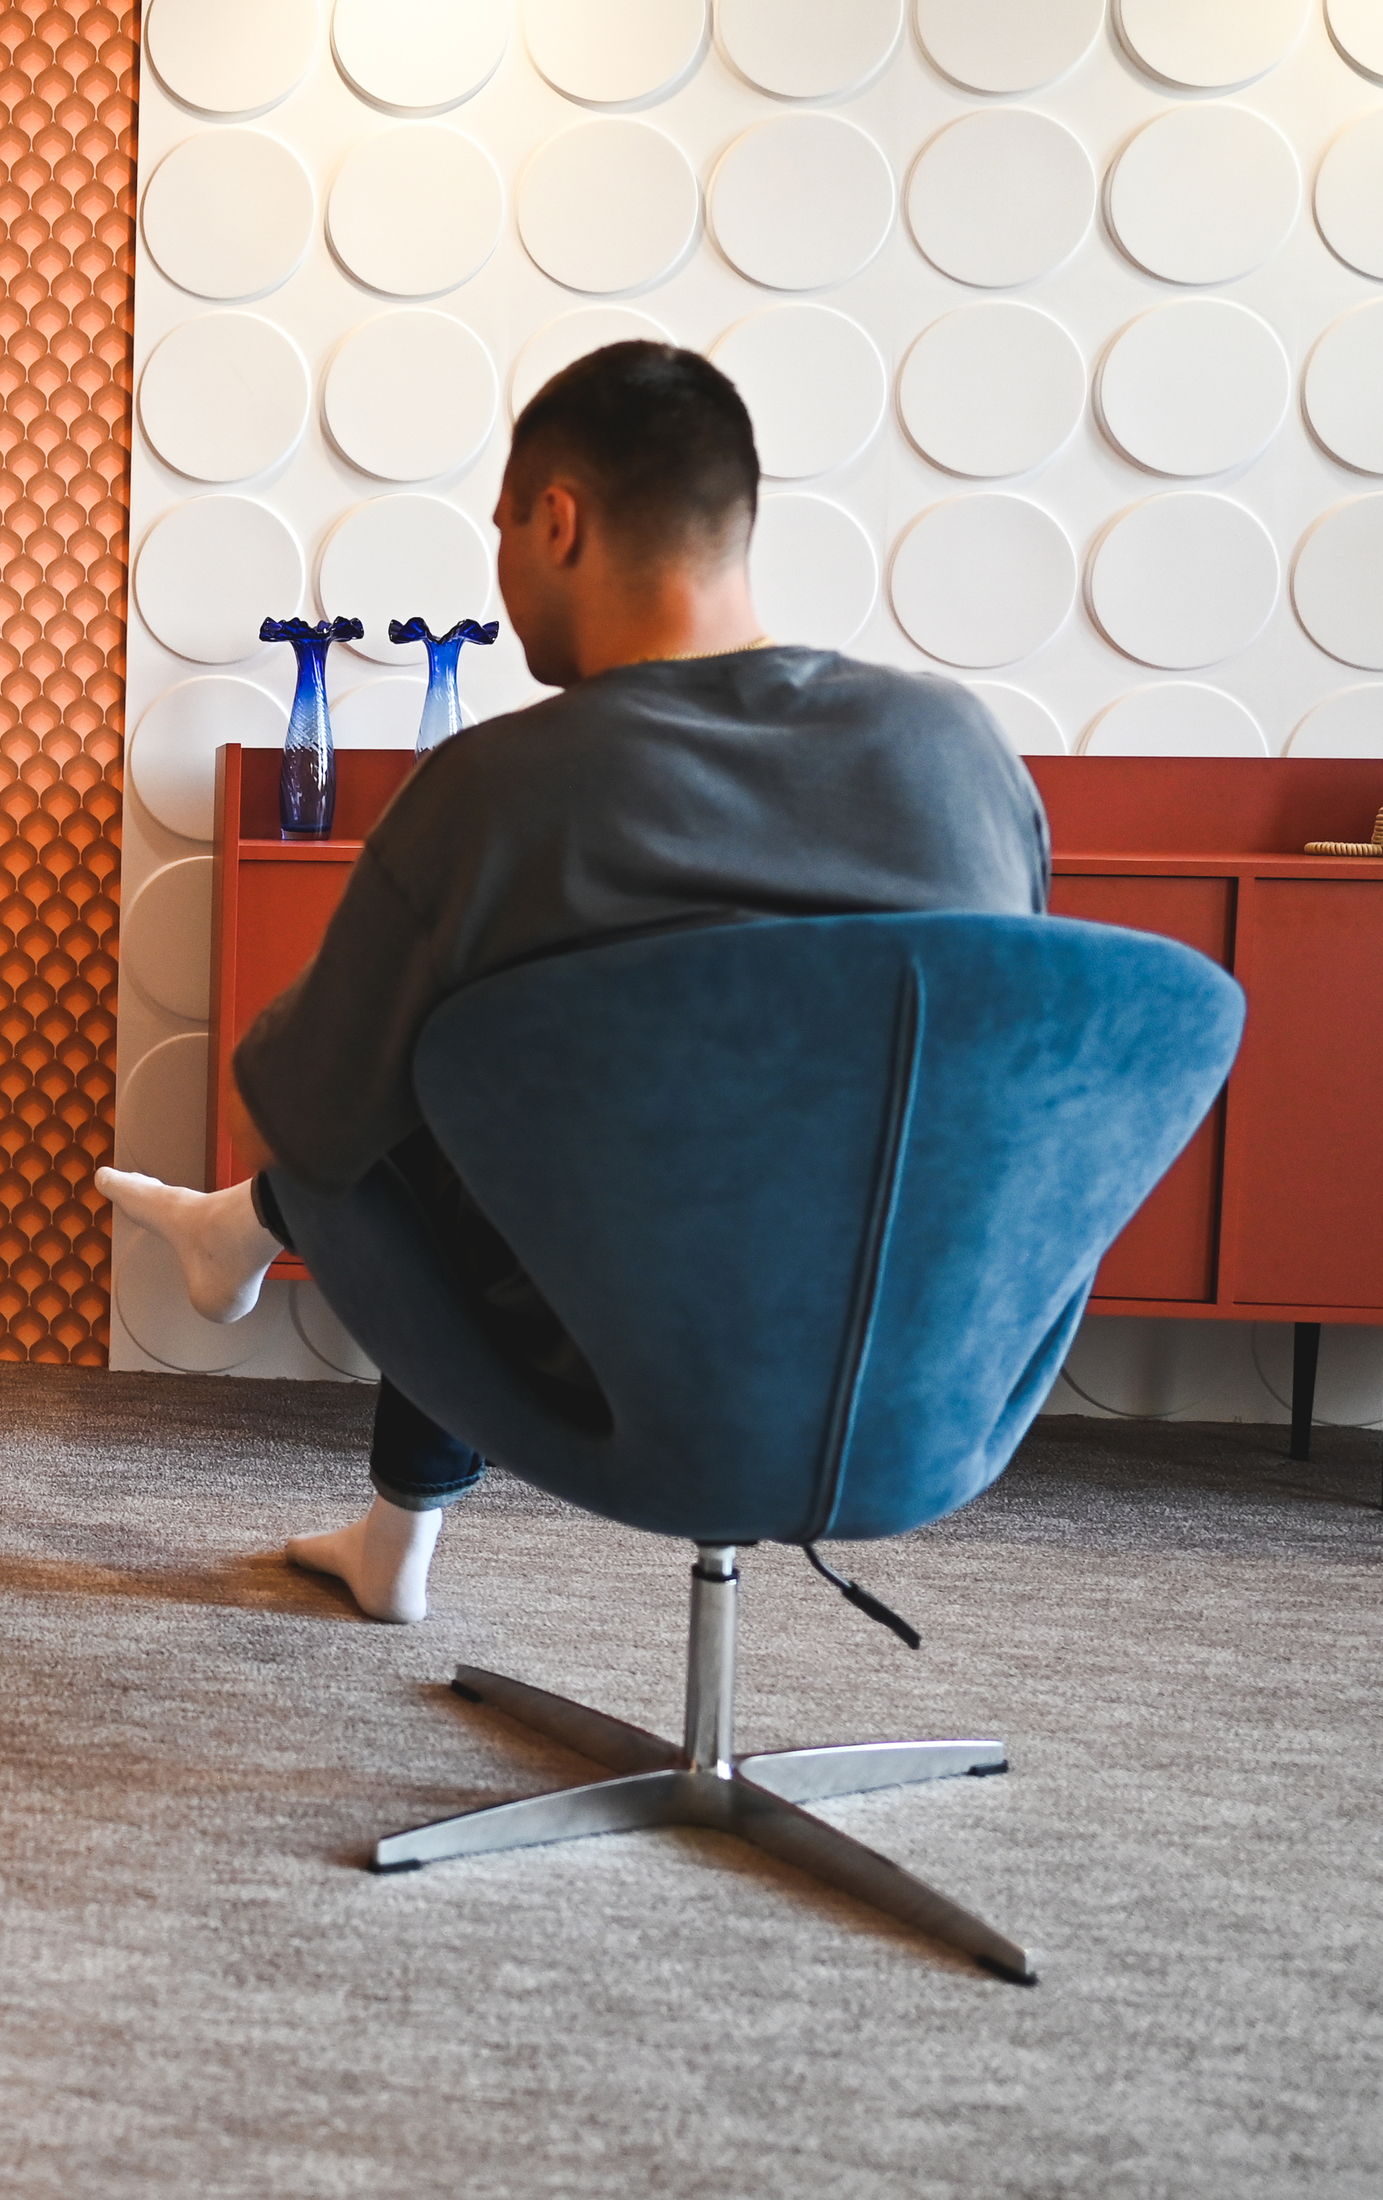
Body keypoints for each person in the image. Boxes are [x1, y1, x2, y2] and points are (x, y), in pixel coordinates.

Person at [98, 342, 1048, 1624]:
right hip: (936, 1378)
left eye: (501, 527)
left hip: (619, 1372)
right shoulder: (960, 751)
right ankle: (353, 1464)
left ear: (557, 521)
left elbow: (300, 1116)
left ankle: (241, 1254)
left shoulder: (503, 789)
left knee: (421, 1082)